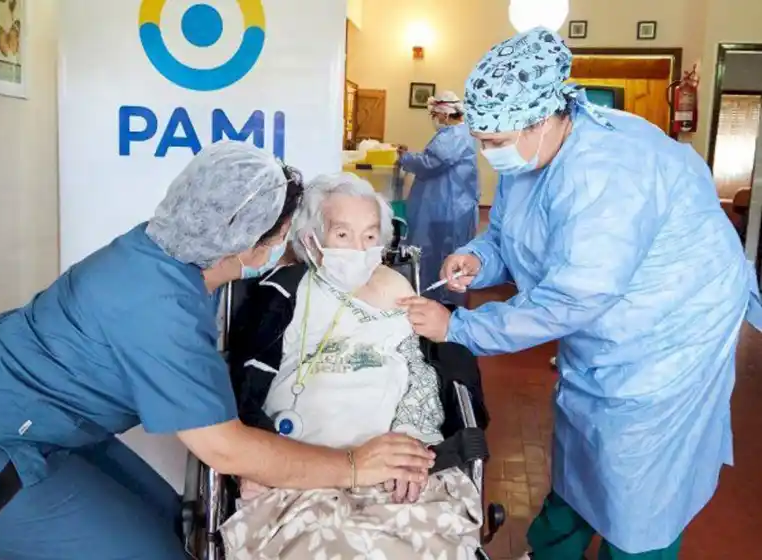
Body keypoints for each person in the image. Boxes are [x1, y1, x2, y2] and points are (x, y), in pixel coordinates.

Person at [0, 142, 434, 560]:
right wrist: (351, 465)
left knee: (177, 523)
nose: (288, 248)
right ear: (248, 244)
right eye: (283, 238)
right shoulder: (160, 307)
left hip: (45, 421)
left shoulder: (162, 246)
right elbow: (224, 449)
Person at [399, 27, 762, 560]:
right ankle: (554, 547)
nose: (486, 152)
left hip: (670, 332)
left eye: (494, 142)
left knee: (638, 472)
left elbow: (574, 296)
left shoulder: (610, 172)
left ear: (544, 117)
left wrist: (460, 327)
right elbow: (509, 232)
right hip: (607, 318)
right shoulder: (533, 154)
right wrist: (479, 258)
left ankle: (638, 550)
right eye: (481, 139)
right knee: (585, 443)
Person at [219, 172, 483, 558]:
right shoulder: (283, 292)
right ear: (312, 238)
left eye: (371, 236)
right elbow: (243, 384)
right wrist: (258, 460)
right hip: (300, 469)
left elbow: (419, 374)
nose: (360, 249)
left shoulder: (395, 287)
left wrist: (413, 441)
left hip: (390, 467)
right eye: (342, 235)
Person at [398, 91, 479, 307]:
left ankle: (442, 301)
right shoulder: (461, 132)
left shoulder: (453, 135)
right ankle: (443, 297)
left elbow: (430, 163)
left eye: (435, 114)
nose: (434, 119)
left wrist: (404, 158)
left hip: (446, 207)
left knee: (439, 253)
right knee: (447, 251)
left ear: (444, 114)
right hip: (454, 204)